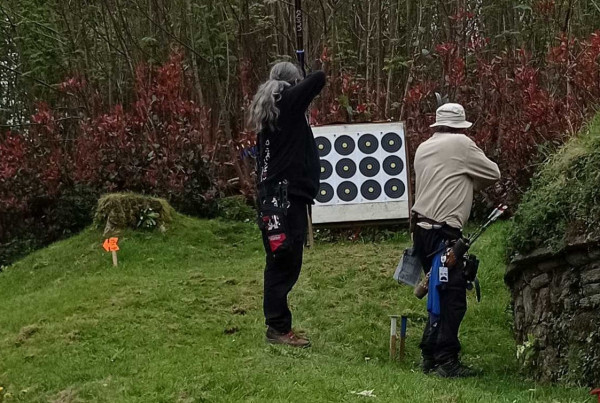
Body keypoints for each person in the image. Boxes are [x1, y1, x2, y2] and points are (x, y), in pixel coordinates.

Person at [411, 103, 501, 377]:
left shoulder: (423, 147)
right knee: (453, 299)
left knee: (436, 292)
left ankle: (429, 355)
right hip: (444, 233)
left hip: (421, 232)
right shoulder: (462, 144)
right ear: (460, 127)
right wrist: (470, 183)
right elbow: (493, 173)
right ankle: (446, 360)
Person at [249, 61, 326, 347]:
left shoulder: (274, 108)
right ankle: (278, 327)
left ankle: (278, 324)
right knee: (284, 261)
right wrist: (300, 82)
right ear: (291, 84)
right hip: (284, 199)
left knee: (282, 259)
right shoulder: (286, 102)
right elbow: (319, 78)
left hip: (277, 198)